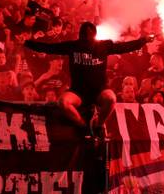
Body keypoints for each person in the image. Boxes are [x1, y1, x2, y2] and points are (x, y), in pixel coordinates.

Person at [24, 21, 153, 133]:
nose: (87, 38)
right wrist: (27, 43)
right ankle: (84, 126)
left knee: (111, 99)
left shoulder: (103, 46)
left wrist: (143, 41)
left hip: (99, 91)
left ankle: (97, 125)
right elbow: (49, 48)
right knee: (63, 102)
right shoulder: (73, 46)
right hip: (78, 92)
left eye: (89, 35)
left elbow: (124, 47)